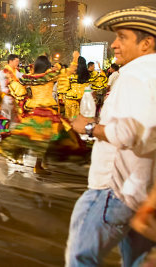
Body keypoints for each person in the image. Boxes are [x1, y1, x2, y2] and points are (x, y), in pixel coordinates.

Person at [66, 6, 156, 266]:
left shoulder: (136, 75)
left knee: (80, 259)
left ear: (146, 42)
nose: (114, 44)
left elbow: (128, 132)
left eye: (122, 37)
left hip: (112, 190)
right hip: (140, 191)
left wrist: (88, 127)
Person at [0, 55, 82, 175]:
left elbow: (18, 86)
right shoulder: (50, 76)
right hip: (47, 110)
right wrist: (75, 59)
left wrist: (10, 80)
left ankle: (39, 163)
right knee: (47, 138)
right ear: (46, 66)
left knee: (33, 137)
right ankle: (39, 165)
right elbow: (69, 72)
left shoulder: (30, 78)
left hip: (33, 110)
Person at [0, 54, 22, 121]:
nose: (18, 63)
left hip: (15, 99)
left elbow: (23, 77)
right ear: (10, 61)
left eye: (18, 61)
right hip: (5, 99)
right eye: (16, 61)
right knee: (6, 119)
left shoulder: (16, 72)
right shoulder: (1, 73)